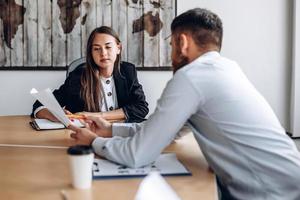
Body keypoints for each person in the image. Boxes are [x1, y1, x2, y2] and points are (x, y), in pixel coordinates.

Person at [68, 8, 300, 199]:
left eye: (171, 46)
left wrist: (94, 141)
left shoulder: (190, 78)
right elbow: (168, 130)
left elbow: (137, 155)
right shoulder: (227, 69)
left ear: (182, 42)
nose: (171, 54)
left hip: (269, 193)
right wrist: (111, 129)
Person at [32, 26, 149, 123]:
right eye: (97, 49)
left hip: (122, 135)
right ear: (91, 53)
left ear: (118, 48)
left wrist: (98, 116)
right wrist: (53, 114)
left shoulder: (128, 71)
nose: (103, 53)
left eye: (108, 47)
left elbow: (141, 108)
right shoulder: (78, 77)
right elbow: (39, 105)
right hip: (88, 135)